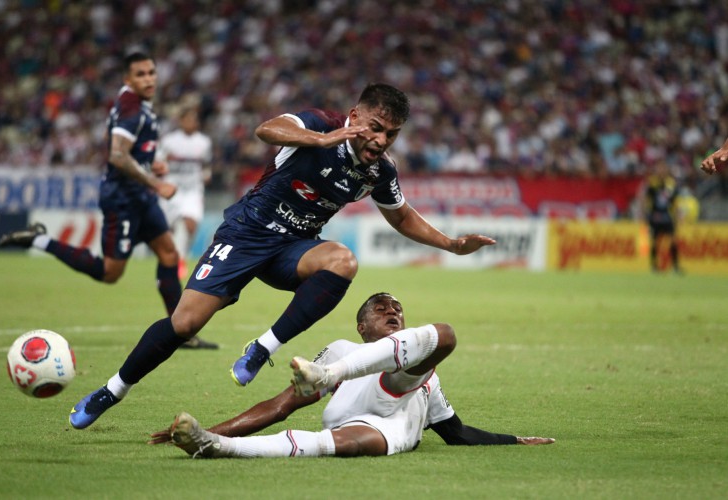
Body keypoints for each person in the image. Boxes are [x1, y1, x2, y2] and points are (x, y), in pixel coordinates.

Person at [68, 82, 496, 430]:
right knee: (184, 323)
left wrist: (452, 244)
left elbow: (401, 217)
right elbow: (267, 129)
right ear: (355, 115)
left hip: (293, 249)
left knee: (343, 260)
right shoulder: (320, 125)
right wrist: (322, 138)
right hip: (246, 233)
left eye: (392, 134)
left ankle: (261, 347)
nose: (381, 141)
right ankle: (111, 391)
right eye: (376, 127)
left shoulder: (378, 170)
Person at [149, 292, 554, 458]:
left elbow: (455, 433)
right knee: (436, 341)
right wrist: (222, 425)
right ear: (362, 327)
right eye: (381, 309)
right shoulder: (343, 346)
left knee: (441, 338)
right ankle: (213, 439)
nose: (393, 312)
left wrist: (514, 439)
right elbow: (279, 406)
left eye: (397, 310)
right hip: (348, 409)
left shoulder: (423, 370)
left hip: (388, 425)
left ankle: (215, 448)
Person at [0, 52, 216, 350]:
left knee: (168, 254)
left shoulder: (133, 104)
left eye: (151, 72)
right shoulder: (132, 109)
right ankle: (41, 240)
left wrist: (149, 164)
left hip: (139, 195)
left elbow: (123, 147)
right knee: (110, 272)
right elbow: (116, 154)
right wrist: (156, 182)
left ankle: (181, 333)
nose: (149, 79)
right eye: (140, 74)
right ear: (128, 79)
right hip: (123, 200)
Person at [156, 106, 213, 281]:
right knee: (171, 229)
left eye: (194, 119)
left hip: (193, 190)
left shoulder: (203, 142)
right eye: (188, 119)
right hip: (173, 189)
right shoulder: (169, 141)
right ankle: (173, 258)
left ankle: (181, 259)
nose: (192, 123)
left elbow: (206, 165)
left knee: (190, 225)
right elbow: (158, 162)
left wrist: (206, 175)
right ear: (181, 121)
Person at [641, 160, 681, 273]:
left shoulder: (671, 183)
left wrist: (677, 216)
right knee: (654, 241)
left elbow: (675, 202)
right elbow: (645, 199)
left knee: (673, 241)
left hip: (667, 216)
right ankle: (654, 266)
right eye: (659, 168)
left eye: (663, 168)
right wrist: (644, 214)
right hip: (655, 216)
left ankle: (675, 267)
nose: (661, 170)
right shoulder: (652, 183)